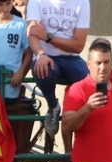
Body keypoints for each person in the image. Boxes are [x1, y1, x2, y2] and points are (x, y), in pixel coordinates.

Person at [25, 0, 90, 143]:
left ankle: (78, 120)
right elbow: (32, 33)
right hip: (46, 56)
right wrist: (41, 54)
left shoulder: (82, 2)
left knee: (89, 81)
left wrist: (48, 37)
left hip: (71, 58)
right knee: (43, 70)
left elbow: (78, 45)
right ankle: (53, 106)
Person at [0, 0, 31, 101]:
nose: (5, 9)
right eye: (0, 4)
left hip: (11, 84)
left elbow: (29, 53)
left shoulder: (21, 25)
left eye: (8, 4)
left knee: (10, 114)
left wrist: (21, 72)